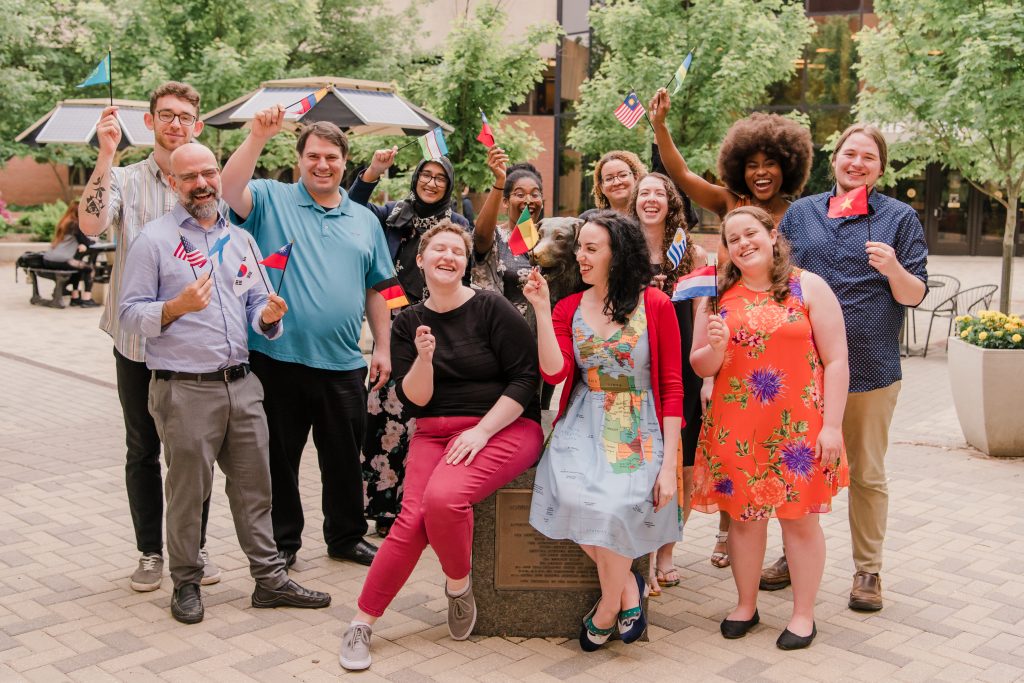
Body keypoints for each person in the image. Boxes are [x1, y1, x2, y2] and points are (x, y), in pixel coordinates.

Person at [118, 143, 331, 624]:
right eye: (190, 176)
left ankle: (269, 580)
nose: (203, 183)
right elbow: (129, 314)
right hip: (184, 389)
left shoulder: (241, 241)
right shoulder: (153, 240)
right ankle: (187, 581)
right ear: (173, 184)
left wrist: (269, 316)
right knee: (189, 494)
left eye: (209, 173)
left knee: (257, 490)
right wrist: (175, 307)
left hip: (243, 385)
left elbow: (255, 304)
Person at [339, 222, 543, 671]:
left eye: (457, 250)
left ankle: (455, 585)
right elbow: (415, 399)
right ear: (420, 259)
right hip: (433, 430)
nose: (447, 257)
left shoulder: (492, 308)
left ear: (466, 261)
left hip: (504, 426)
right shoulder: (408, 321)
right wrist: (425, 358)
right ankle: (362, 622)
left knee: (445, 499)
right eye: (438, 250)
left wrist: (482, 432)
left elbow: (527, 378)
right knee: (410, 520)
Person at [221, 106, 394, 568]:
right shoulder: (271, 198)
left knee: (343, 458)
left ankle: (345, 536)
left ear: (344, 161)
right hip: (277, 358)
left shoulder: (365, 219)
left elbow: (377, 287)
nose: (323, 164)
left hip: (343, 362)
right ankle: (284, 543)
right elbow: (228, 188)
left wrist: (383, 345)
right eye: (314, 156)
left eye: (332, 157)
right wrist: (257, 137)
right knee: (280, 458)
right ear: (300, 159)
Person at [649, 87, 814, 570]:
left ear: (789, 165)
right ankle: (730, 526)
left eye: (771, 163)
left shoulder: (800, 214)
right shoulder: (729, 204)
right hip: (728, 341)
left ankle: (788, 546)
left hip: (781, 347)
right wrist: (660, 126)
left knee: (781, 444)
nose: (761, 172)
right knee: (730, 443)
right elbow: (678, 173)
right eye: (752, 164)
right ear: (738, 166)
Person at [773, 124, 928, 612]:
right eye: (849, 154)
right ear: (833, 158)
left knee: (866, 473)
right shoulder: (800, 214)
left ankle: (868, 569)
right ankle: (790, 554)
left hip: (869, 366)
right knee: (797, 466)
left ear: (880, 168)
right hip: (802, 369)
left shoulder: (899, 219)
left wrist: (893, 269)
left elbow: (915, 294)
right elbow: (775, 278)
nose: (857, 163)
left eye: (868, 157)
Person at [78, 81, 220, 592]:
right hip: (136, 343)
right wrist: (106, 153)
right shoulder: (123, 178)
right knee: (142, 449)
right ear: (150, 122)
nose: (175, 123)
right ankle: (150, 552)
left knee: (193, 451)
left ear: (196, 125)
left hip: (192, 344)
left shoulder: (203, 182)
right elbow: (92, 225)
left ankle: (194, 547)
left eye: (184, 115)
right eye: (165, 114)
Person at [690, 206, 849, 650]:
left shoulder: (807, 285)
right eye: (733, 238)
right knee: (744, 520)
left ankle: (803, 615)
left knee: (798, 522)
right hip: (737, 427)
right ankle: (745, 604)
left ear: (771, 234)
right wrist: (715, 348)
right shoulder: (718, 294)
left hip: (799, 429)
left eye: (750, 233)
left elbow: (836, 360)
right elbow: (700, 363)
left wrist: (832, 426)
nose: (743, 243)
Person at [525, 210, 682, 651]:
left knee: (614, 505)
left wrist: (670, 465)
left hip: (639, 421)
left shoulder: (656, 305)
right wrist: (541, 310)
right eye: (580, 248)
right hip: (583, 418)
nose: (580, 256)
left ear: (618, 253)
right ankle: (626, 591)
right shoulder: (568, 306)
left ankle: (608, 607)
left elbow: (672, 387)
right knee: (575, 495)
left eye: (591, 249)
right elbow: (555, 375)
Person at [347, 146, 472, 538]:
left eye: (440, 177)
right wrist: (373, 172)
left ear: (449, 185)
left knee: (425, 420)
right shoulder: (391, 216)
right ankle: (384, 511)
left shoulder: (457, 225)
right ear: (415, 178)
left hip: (438, 327)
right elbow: (352, 206)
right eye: (426, 175)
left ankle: (420, 507)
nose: (431, 183)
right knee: (384, 416)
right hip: (392, 327)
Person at [629, 173, 712, 591]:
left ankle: (666, 550)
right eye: (644, 192)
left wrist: (705, 369)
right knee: (641, 451)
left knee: (681, 459)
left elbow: (703, 309)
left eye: (659, 193)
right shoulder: (622, 245)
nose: (651, 199)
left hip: (681, 356)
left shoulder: (691, 253)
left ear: (671, 202)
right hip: (638, 358)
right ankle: (638, 550)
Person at [471, 147, 544, 318]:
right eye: (519, 194)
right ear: (505, 201)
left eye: (535, 194)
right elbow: (480, 237)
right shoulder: (494, 236)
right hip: (499, 330)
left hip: (542, 334)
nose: (528, 200)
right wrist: (500, 180)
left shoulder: (549, 237)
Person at [43, 200, 98, 307]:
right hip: (61, 260)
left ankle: (75, 297)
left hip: (48, 259)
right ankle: (86, 299)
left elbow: (79, 240)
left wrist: (82, 243)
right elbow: (86, 241)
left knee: (78, 266)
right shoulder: (75, 224)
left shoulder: (64, 222)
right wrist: (90, 241)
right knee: (89, 269)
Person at [580, 150, 647, 220]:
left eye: (623, 175)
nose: (617, 182)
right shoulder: (589, 219)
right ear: (601, 187)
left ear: (636, 178)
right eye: (609, 179)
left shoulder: (649, 215)